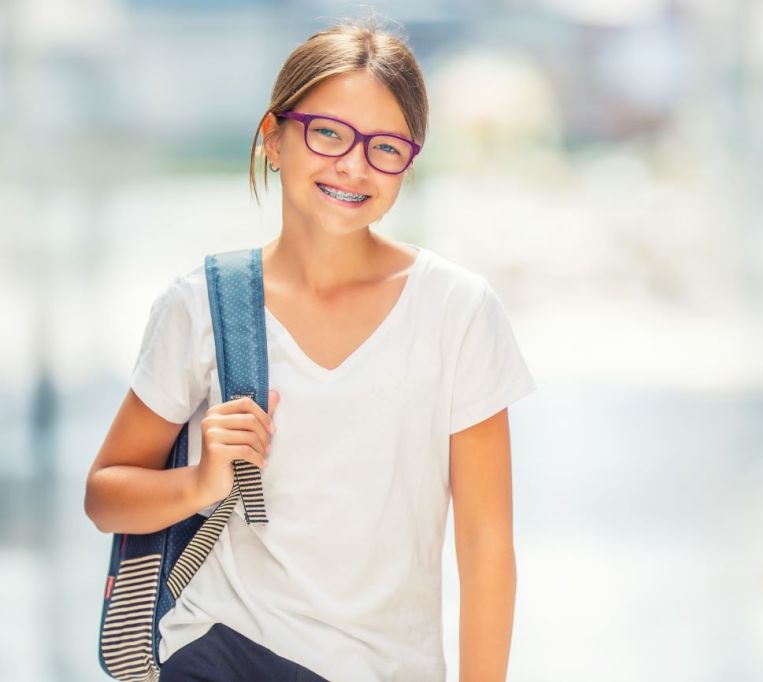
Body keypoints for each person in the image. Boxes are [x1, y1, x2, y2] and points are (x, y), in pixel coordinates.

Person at [84, 16, 536, 682]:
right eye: (327, 133)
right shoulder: (202, 305)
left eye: (386, 147)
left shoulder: (457, 311)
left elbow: (485, 542)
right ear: (273, 137)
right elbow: (105, 495)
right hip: (222, 648)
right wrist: (202, 481)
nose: (353, 165)